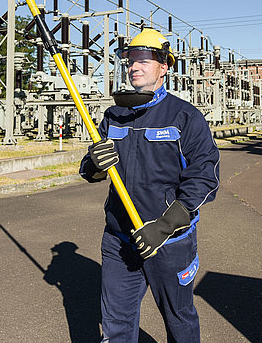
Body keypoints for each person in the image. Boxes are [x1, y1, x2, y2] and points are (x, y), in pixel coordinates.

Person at [80, 28, 220, 342]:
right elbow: (89, 171)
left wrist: (165, 226)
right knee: (115, 326)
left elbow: (205, 179)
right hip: (119, 240)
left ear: (164, 67)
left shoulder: (185, 117)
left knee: (179, 321)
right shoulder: (113, 116)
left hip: (169, 242)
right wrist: (95, 164)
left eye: (144, 59)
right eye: (130, 60)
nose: (135, 66)